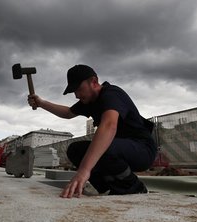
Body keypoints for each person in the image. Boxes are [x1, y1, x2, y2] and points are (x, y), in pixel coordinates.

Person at [28, 64, 157, 198]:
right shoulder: (89, 101)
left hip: (143, 150)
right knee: (75, 150)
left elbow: (109, 125)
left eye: (79, 89)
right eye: (74, 92)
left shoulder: (111, 94)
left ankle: (136, 188)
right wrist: (41, 103)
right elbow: (67, 113)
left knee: (102, 146)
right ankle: (106, 189)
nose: (77, 95)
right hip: (120, 148)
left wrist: (84, 171)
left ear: (93, 82)